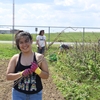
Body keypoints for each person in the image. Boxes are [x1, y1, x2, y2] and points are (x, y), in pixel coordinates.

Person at [6, 30, 49, 100]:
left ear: (31, 41)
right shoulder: (15, 58)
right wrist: (21, 74)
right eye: (21, 42)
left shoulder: (40, 58)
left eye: (26, 41)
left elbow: (46, 76)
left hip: (35, 95)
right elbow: (8, 76)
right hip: (18, 94)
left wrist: (37, 70)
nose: (24, 45)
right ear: (18, 44)